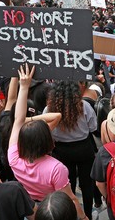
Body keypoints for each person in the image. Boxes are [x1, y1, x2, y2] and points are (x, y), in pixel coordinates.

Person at [8, 64, 87, 220]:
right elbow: (70, 197)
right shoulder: (56, 168)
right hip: (54, 209)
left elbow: (18, 120)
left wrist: (24, 87)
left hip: (32, 207)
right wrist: (83, 217)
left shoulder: (14, 156)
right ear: (46, 140)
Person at [45, 81, 97, 219]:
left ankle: (71, 214)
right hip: (84, 148)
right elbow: (93, 127)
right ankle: (88, 214)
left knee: (67, 185)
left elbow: (47, 131)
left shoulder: (48, 110)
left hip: (61, 151)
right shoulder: (84, 106)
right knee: (87, 184)